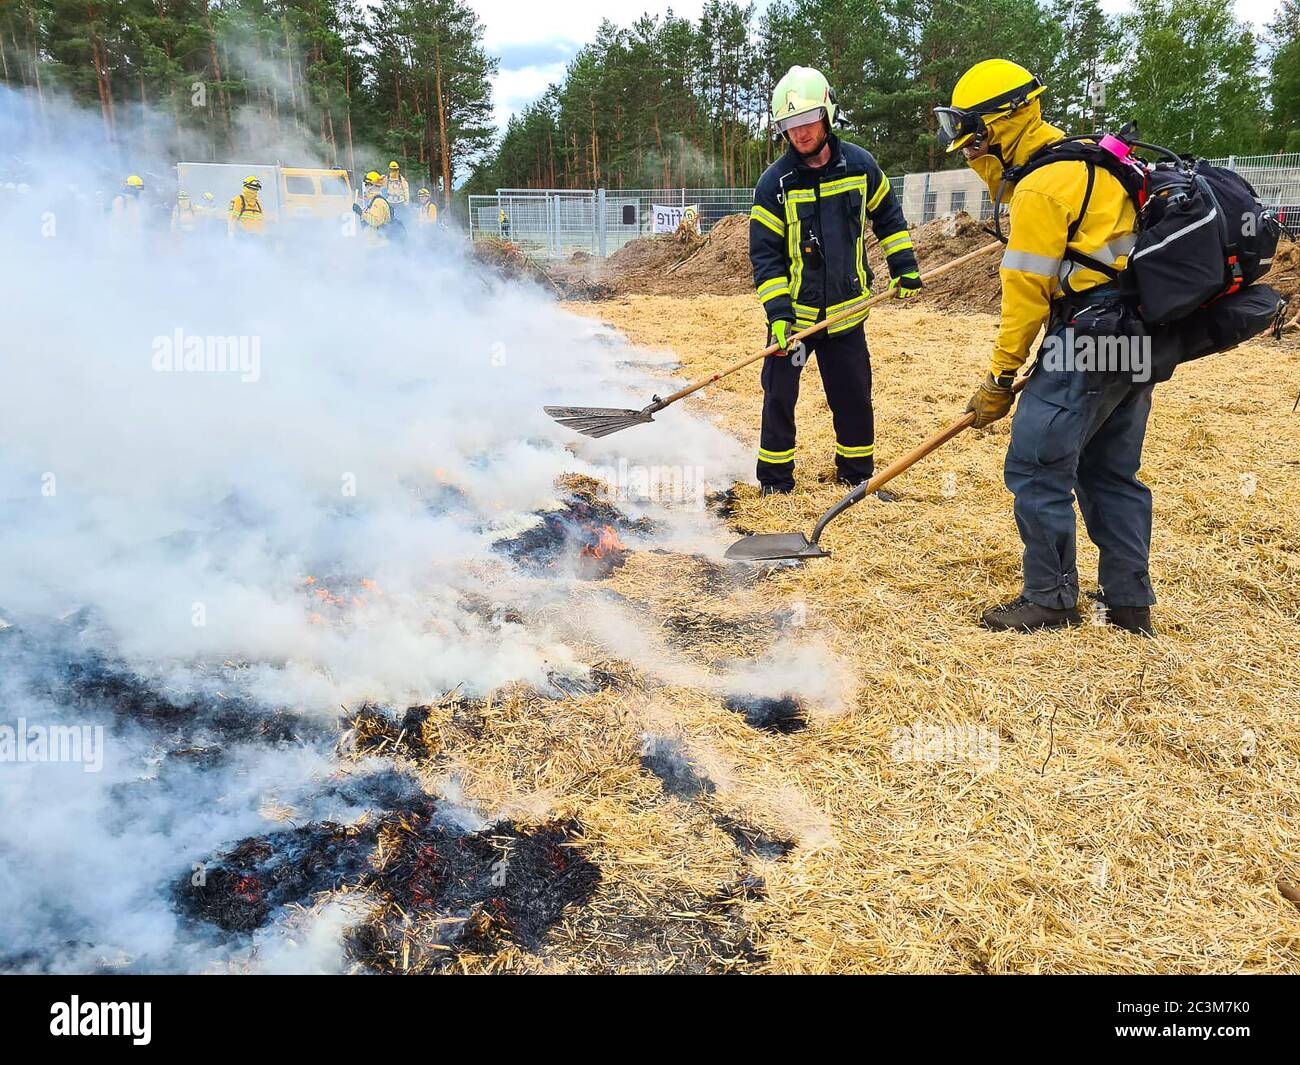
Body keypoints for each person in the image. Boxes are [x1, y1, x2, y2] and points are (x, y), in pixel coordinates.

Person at [937, 59, 1155, 636]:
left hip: (1084, 340)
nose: (966, 146)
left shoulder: (1039, 187)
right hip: (1136, 340)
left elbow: (1026, 298)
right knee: (1111, 472)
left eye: (973, 131)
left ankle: (1052, 601)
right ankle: (1128, 604)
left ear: (1007, 120)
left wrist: (999, 379)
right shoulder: (1090, 160)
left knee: (1037, 466)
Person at [749, 65, 921, 497]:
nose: (800, 133)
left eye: (807, 121)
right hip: (795, 321)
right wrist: (779, 316)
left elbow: (889, 219)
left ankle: (857, 476)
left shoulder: (861, 166)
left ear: (826, 115)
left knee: (853, 397)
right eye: (790, 125)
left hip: (847, 311)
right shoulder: (775, 184)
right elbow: (766, 257)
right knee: (778, 397)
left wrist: (904, 268)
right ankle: (774, 483)